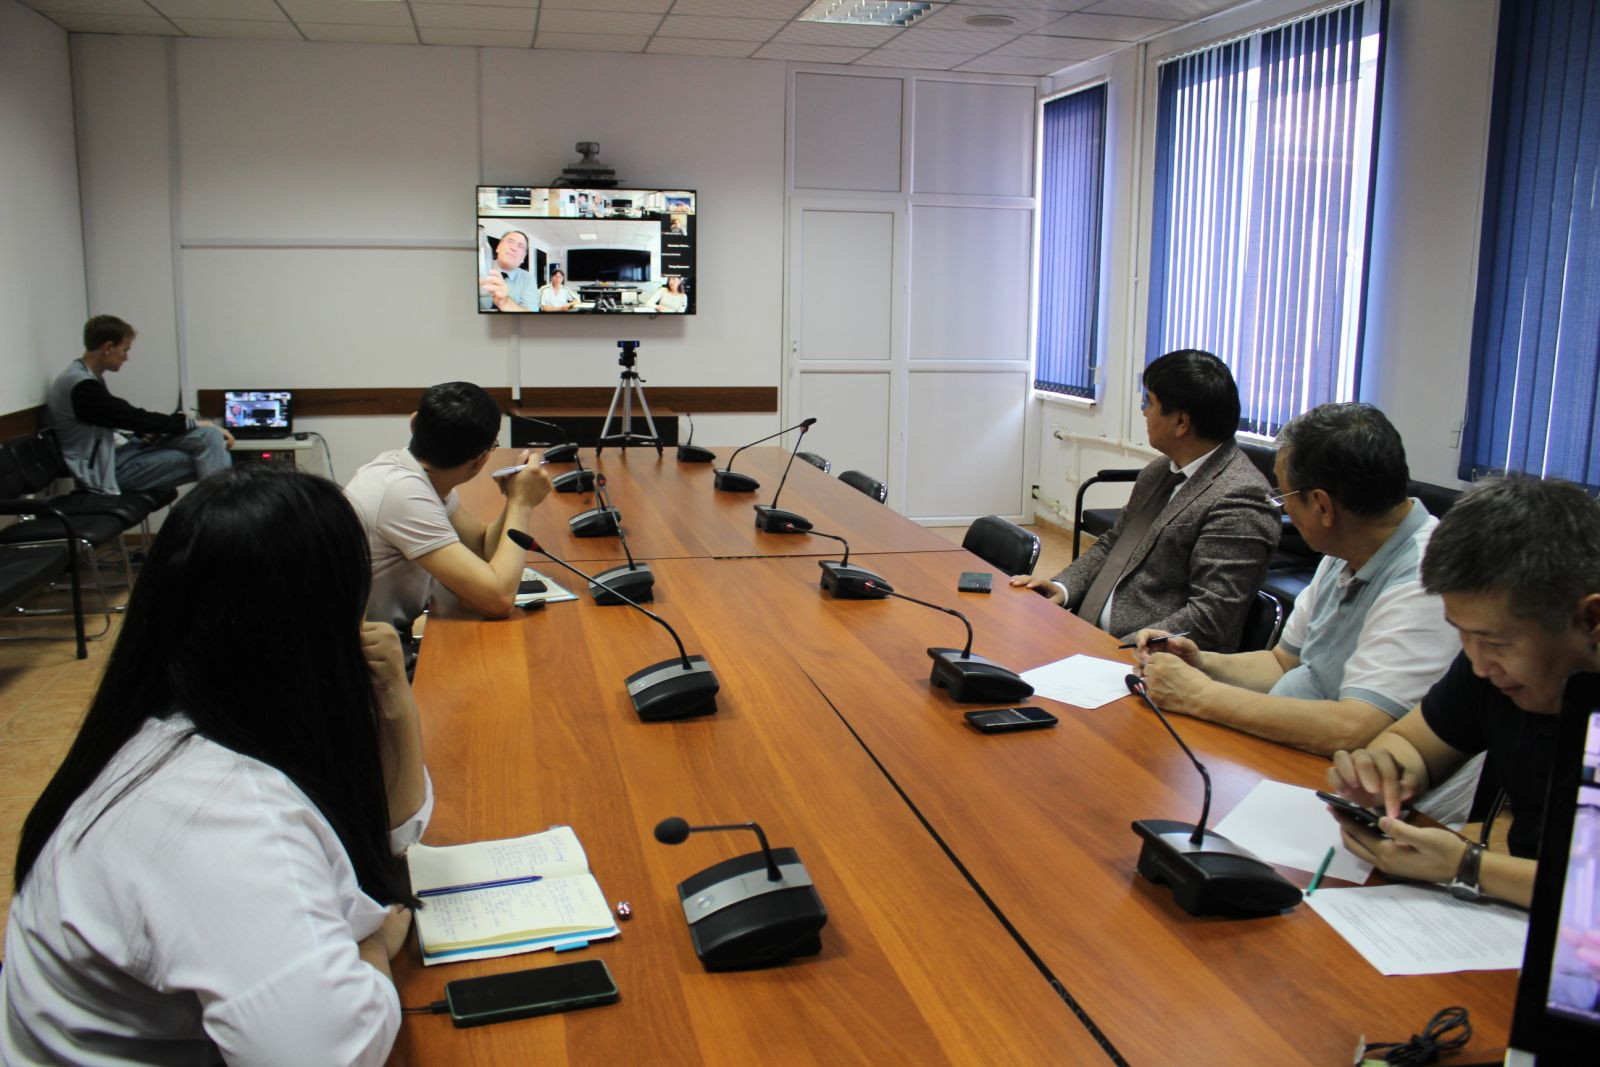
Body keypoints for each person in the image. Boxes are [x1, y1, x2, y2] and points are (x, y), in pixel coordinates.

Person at [1, 466, 430, 1063]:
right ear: (317, 623)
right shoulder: (220, 811)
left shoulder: (187, 722)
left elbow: (393, 837)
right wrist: (374, 944)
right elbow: (332, 1052)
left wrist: (397, 709)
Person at [1134, 403, 1463, 765]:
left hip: (1336, 777)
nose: (1283, 508)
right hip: (1287, 749)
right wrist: (1200, 663)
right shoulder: (1344, 549)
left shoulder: (1426, 581)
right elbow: (1283, 663)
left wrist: (1200, 696)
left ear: (1322, 506)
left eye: (1285, 496)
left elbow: (1354, 730)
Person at [1325, 477, 1600, 908]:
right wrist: (1383, 773)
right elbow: (1412, 743)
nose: (1479, 665)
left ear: (1591, 620)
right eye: (1462, 634)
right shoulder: (1490, 666)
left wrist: (1469, 866)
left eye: (1495, 642)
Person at [1011, 348, 1279, 650]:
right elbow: (1114, 543)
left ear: (1181, 422)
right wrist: (1064, 587)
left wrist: (1113, 651)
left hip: (1145, 659)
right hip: (1087, 636)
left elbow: (1211, 619)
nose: (1144, 412)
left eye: (1148, 402)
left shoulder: (1240, 498)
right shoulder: (1160, 471)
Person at [343, 381, 553, 640]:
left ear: (414, 423)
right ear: (481, 460)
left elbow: (481, 548)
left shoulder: (410, 473)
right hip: (359, 652)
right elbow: (498, 600)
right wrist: (522, 504)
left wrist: (513, 497)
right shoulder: (402, 493)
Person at [46, 314, 233, 494]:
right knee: (214, 457)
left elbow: (123, 419)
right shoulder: (81, 386)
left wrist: (203, 426)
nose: (126, 357)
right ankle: (223, 514)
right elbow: (133, 417)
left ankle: (223, 511)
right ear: (108, 347)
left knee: (210, 436)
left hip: (124, 452)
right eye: (125, 350)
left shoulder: (85, 377)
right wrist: (196, 423)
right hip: (109, 472)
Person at [479, 229, 537, 312]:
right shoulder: (479, 266)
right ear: (498, 247)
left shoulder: (528, 279)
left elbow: (531, 315)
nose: (513, 248)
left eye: (520, 246)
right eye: (510, 242)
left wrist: (505, 302)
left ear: (523, 257)